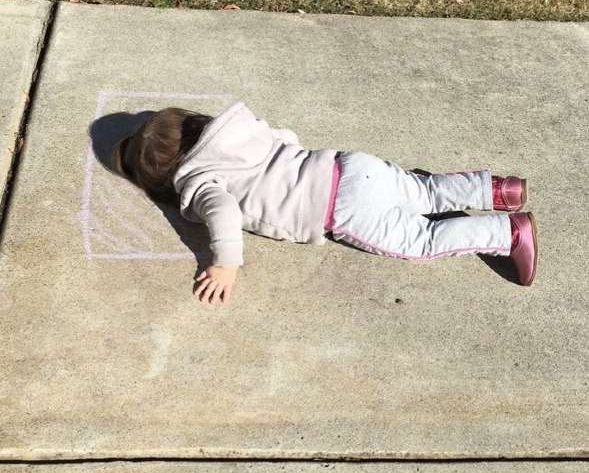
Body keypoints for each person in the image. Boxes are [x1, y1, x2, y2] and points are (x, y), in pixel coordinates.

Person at [110, 101, 538, 304]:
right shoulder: (233, 132)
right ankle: (497, 190)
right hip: (346, 165)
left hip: (338, 209)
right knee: (423, 191)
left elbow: (222, 212)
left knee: (422, 239)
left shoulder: (200, 180)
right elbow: (284, 137)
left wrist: (226, 262)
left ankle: (506, 233)